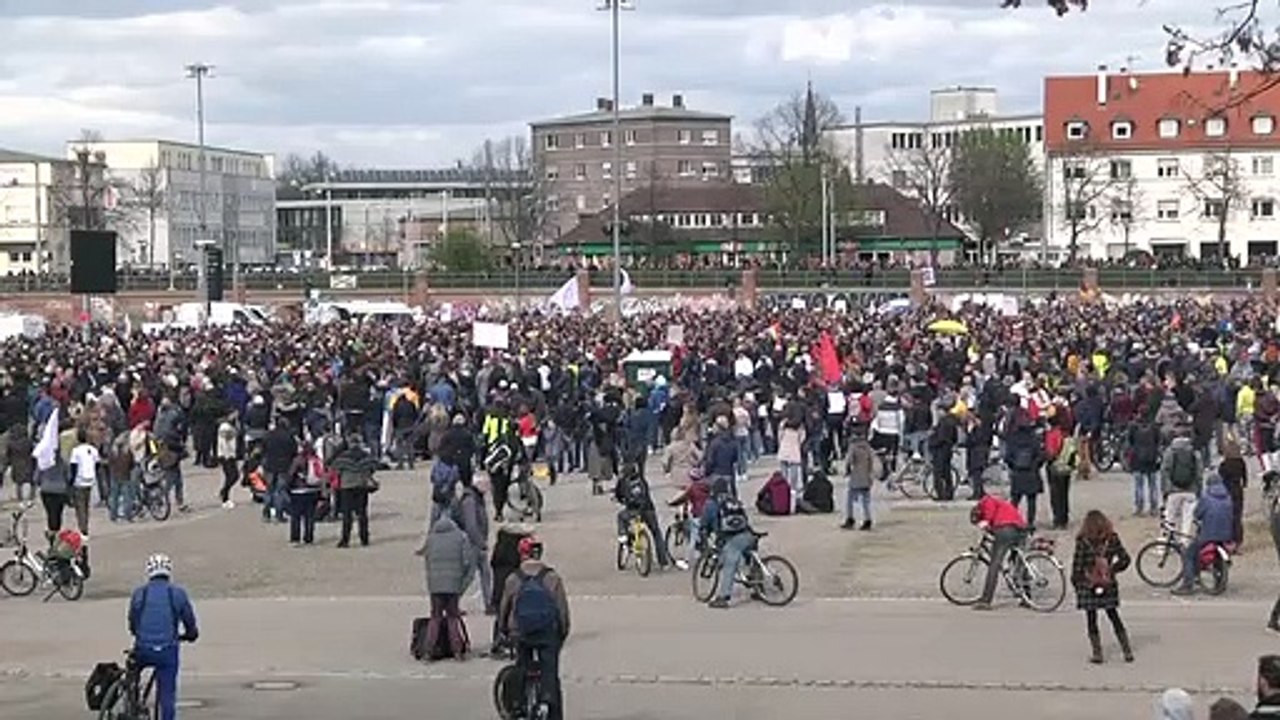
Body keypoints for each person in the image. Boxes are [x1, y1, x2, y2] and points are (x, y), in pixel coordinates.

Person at [497, 536, 570, 720]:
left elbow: (504, 609)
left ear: (521, 554)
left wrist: (503, 632)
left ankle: (519, 705)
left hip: (521, 632)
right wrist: (561, 634)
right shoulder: (552, 577)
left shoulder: (514, 579)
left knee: (522, 666)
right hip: (547, 632)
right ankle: (550, 707)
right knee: (550, 673)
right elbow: (562, 611)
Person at [128, 554, 198, 720]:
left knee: (133, 671)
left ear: (149, 572)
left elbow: (132, 621)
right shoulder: (178, 593)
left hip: (143, 648)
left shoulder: (140, 593)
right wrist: (190, 634)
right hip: (167, 650)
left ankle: (132, 701)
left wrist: (137, 632)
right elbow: (189, 620)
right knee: (167, 695)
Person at [1070, 509, 1133, 664]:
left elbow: (1077, 566)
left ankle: (1097, 653)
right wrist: (1112, 570)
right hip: (1108, 582)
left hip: (1088, 584)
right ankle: (1127, 651)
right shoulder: (1112, 538)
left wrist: (1077, 583)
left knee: (1092, 619)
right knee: (1114, 616)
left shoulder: (1082, 540)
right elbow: (1125, 559)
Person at [416, 512, 475, 658]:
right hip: (453, 583)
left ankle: (428, 650)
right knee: (453, 617)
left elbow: (427, 561)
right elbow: (468, 561)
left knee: (435, 617)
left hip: (435, 585)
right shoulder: (461, 537)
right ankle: (457, 651)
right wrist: (463, 583)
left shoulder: (431, 539)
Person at [1172, 474, 1234, 595]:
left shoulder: (1206, 498)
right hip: (1226, 535)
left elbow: (1197, 514)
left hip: (1209, 534)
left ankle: (1188, 584)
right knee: (1218, 555)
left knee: (1189, 553)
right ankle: (1220, 580)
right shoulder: (1228, 497)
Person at [701, 479, 757, 609]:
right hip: (748, 535)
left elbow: (705, 524)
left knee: (729, 564)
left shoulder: (711, 503)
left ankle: (723, 597)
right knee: (751, 558)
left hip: (733, 539)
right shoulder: (734, 501)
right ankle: (758, 588)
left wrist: (705, 535)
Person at [614, 460, 679, 570]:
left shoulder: (623, 481)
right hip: (648, 509)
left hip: (633, 510)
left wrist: (620, 499)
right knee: (656, 533)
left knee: (621, 516)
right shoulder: (642, 480)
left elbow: (618, 495)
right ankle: (663, 562)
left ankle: (623, 535)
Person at [970, 494, 1027, 611]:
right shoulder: (1000, 501)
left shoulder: (986, 501)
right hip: (1020, 529)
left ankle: (986, 600)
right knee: (1020, 562)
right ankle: (1026, 596)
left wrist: (985, 523)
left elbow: (989, 516)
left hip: (1005, 529)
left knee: (994, 564)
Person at [331, 434, 379, 548]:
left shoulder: (343, 457)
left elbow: (335, 469)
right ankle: (364, 538)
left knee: (347, 515)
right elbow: (373, 467)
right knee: (362, 514)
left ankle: (345, 539)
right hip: (361, 486)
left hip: (347, 486)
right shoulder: (366, 456)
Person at [1003, 415, 1045, 529]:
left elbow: (1007, 457)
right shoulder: (1034, 439)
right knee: (1031, 500)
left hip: (1017, 472)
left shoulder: (1013, 439)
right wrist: (1035, 466)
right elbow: (1041, 456)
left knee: (1015, 499)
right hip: (1031, 472)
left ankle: (1012, 520)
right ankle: (1030, 522)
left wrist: (1014, 466)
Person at [1162, 422, 1203, 539]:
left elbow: (1165, 471)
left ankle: (1165, 543)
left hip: (1173, 490)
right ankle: (1184, 543)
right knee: (1187, 520)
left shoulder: (1170, 451)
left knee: (1170, 518)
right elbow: (1199, 473)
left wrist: (1165, 490)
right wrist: (1199, 490)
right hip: (1190, 490)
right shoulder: (1194, 452)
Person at [842, 423, 875, 530]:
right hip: (867, 476)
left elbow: (849, 461)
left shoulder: (853, 446)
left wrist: (846, 471)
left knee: (850, 499)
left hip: (856, 476)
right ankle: (867, 519)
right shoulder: (867, 447)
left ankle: (850, 518)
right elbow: (871, 460)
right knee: (866, 501)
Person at [68, 428, 100, 536]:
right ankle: (85, 524)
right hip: (90, 480)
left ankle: (83, 528)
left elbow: (73, 467)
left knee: (80, 506)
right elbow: (97, 464)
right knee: (86, 505)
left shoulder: (75, 451)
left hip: (79, 481)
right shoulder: (93, 450)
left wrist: (71, 481)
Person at [1129, 420, 1163, 517]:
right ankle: (1154, 508)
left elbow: (1130, 441)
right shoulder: (1154, 427)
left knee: (1138, 485)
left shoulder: (1134, 427)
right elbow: (1158, 441)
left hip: (1137, 459)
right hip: (1151, 459)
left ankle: (1139, 508)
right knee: (1153, 486)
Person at [1219, 439, 1248, 546]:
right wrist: (1244, 484)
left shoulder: (1224, 464)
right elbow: (1245, 478)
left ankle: (1228, 539)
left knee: (1228, 516)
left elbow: (1221, 478)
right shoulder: (1241, 462)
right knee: (1237, 517)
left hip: (1227, 490)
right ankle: (1238, 540)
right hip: (1237, 489)